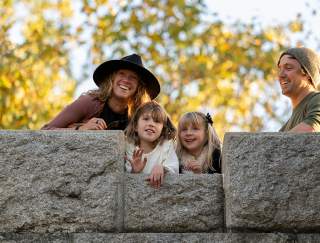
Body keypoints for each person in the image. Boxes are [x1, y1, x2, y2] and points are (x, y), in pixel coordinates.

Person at [41, 54, 160, 130]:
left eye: (133, 77)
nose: (126, 80)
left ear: (139, 86)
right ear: (112, 79)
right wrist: (81, 129)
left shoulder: (140, 115)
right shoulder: (89, 102)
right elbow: (45, 131)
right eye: (121, 74)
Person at [124, 101, 179, 188]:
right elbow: (127, 182)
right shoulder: (130, 147)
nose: (151, 124)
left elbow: (174, 167)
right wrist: (134, 171)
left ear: (162, 130)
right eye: (146, 119)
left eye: (157, 121)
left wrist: (162, 168)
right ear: (135, 126)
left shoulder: (166, 146)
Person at [277, 47, 320, 132]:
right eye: (280, 69)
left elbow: (311, 129)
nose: (280, 75)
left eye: (288, 68)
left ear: (308, 74)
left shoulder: (317, 99)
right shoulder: (283, 129)